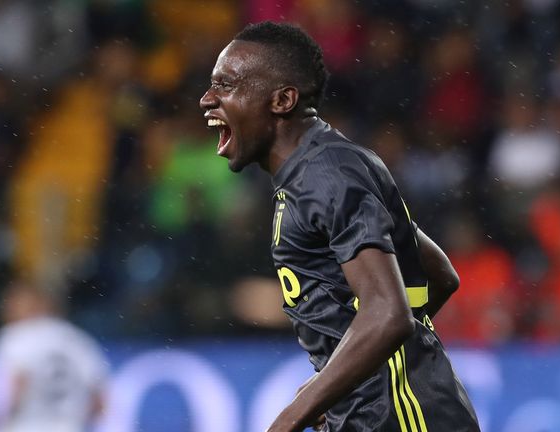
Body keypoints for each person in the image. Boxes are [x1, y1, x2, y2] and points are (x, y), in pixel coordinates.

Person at [199, 22, 480, 431]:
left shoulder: (327, 173)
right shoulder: (318, 169)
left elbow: (389, 313)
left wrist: (290, 419)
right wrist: (342, 379)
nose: (208, 99)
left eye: (225, 85)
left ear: (282, 100)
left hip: (406, 418)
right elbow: (439, 276)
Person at [0, 279, 108, 432]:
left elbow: (16, 387)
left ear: (38, 304)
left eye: (14, 302)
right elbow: (99, 403)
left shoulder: (15, 336)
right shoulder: (82, 341)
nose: (7, 307)